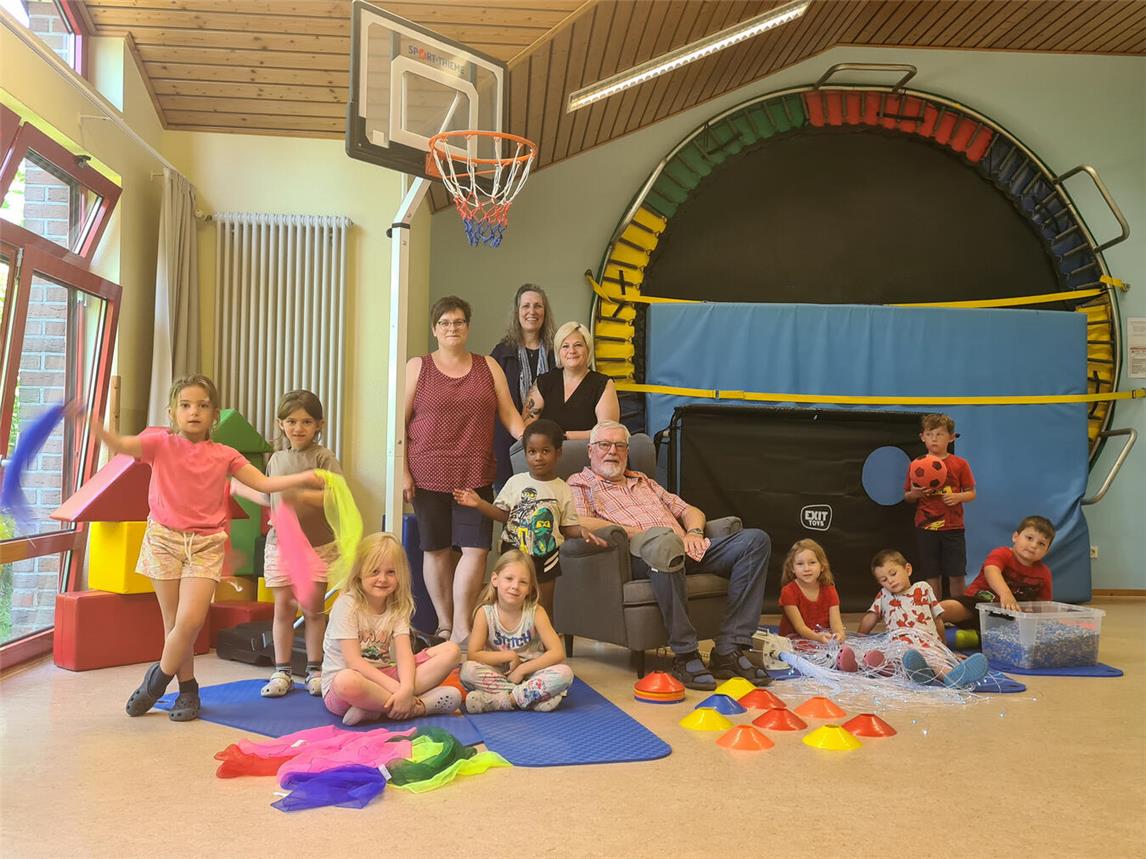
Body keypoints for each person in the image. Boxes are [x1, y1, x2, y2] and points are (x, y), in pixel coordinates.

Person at [93, 375, 323, 722]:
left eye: (202, 405)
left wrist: (302, 479)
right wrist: (91, 422)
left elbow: (264, 484)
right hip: (164, 540)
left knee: (190, 620)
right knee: (174, 623)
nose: (194, 412)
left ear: (215, 414)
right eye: (185, 405)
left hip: (206, 544)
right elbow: (120, 443)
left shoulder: (225, 455)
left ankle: (155, 682)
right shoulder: (158, 443)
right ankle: (188, 689)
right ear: (172, 411)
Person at [568, 420, 772, 691]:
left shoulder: (644, 481)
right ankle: (686, 653)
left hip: (684, 548)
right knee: (663, 543)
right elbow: (580, 522)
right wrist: (643, 532)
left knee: (755, 541)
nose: (612, 451)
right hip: (639, 556)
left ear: (627, 452)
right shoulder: (582, 483)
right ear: (590, 451)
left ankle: (729, 649)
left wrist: (694, 534)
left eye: (619, 446)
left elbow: (690, 510)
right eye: (604, 445)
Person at [404, 295, 524, 645]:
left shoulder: (488, 366)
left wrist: (539, 441)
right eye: (444, 323)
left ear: (468, 327)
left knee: (476, 550)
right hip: (426, 472)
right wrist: (402, 473)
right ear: (434, 330)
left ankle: (461, 628)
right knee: (437, 550)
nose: (452, 328)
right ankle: (444, 625)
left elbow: (512, 418)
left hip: (475, 473)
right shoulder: (418, 367)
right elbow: (400, 421)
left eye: (458, 322)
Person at [243, 390, 342, 699]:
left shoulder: (323, 457)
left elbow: (337, 495)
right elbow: (269, 497)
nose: (298, 428)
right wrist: (238, 488)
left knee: (312, 609)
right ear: (281, 424)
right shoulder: (275, 460)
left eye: (306, 421)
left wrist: (301, 495)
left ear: (319, 425)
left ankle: (315, 670)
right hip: (281, 544)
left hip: (315, 546)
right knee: (283, 608)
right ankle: (282, 670)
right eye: (291, 421)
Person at [453, 418, 605, 618]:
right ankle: (506, 640)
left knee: (543, 606)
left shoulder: (563, 488)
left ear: (558, 453)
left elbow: (566, 527)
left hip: (547, 556)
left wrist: (581, 531)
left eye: (545, 451)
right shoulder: (516, 482)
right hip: (513, 553)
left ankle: (542, 643)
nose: (538, 457)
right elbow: (503, 516)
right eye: (532, 452)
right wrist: (479, 504)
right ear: (525, 454)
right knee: (508, 601)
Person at [321, 532, 462, 726]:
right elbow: (354, 662)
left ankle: (374, 709)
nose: (382, 579)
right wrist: (399, 690)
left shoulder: (398, 606)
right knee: (347, 681)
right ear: (359, 572)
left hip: (383, 675)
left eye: (391, 572)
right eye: (374, 571)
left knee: (451, 650)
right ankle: (418, 707)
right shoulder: (346, 605)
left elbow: (404, 655)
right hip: (345, 685)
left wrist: (405, 688)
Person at [460, 549, 574, 713]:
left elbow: (557, 653)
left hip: (532, 674)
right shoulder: (484, 613)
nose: (515, 586)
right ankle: (531, 698)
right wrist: (509, 656)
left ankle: (501, 700)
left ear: (530, 588)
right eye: (509, 579)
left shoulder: (536, 611)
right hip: (499, 674)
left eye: (523, 582)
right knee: (467, 671)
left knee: (565, 673)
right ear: (495, 579)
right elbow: (474, 654)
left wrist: (521, 670)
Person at [858, 549, 987, 688]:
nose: (890, 581)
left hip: (927, 642)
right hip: (900, 645)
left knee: (936, 660)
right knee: (898, 659)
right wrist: (859, 640)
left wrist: (944, 649)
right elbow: (870, 618)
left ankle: (954, 677)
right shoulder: (884, 595)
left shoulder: (923, 588)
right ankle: (917, 672)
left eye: (893, 574)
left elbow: (937, 619)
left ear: (907, 569)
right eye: (884, 580)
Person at [903, 413, 976, 599]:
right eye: (930, 434)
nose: (934, 438)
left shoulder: (960, 464)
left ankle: (959, 611)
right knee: (931, 573)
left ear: (951, 437)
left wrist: (958, 496)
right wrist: (916, 494)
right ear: (922, 437)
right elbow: (908, 496)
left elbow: (971, 493)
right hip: (926, 527)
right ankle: (936, 613)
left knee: (956, 572)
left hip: (953, 527)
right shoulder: (916, 465)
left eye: (940, 434)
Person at [490, 284, 555, 488]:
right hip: (507, 445)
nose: (532, 311)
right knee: (509, 506)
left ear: (545, 312)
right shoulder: (501, 353)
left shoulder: (558, 352)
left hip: (550, 442)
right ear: (517, 312)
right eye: (525, 306)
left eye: (538, 306)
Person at [939, 515, 1056, 628]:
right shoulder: (1002, 553)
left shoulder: (1044, 574)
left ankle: (972, 637)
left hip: (1010, 617)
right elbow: (991, 570)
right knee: (951, 608)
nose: (1033, 545)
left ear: (1046, 551)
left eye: (1041, 543)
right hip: (978, 603)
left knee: (1023, 627)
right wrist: (1005, 593)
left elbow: (1043, 605)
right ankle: (928, 614)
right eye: (1029, 538)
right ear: (1015, 537)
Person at [523, 321, 619, 440]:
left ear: (588, 349)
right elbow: (527, 427)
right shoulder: (544, 381)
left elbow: (607, 432)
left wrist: (565, 437)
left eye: (578, 345)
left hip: (587, 454)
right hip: (546, 454)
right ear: (558, 352)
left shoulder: (603, 384)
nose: (572, 351)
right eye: (565, 346)